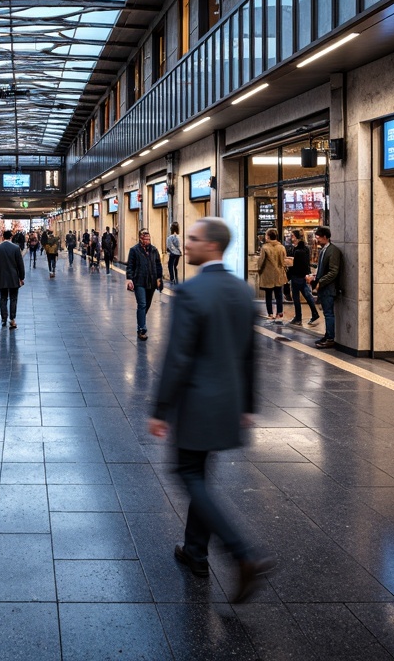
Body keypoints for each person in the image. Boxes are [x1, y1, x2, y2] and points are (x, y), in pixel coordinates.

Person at [148, 217, 274, 603]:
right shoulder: (241, 290)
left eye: (193, 239)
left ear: (212, 246)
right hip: (228, 401)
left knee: (187, 473)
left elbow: (178, 357)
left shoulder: (191, 291)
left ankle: (242, 553)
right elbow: (251, 356)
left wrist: (160, 409)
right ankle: (195, 552)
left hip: (196, 402)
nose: (186, 245)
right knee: (200, 474)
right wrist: (248, 404)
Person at [307, 225, 342, 349]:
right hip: (323, 287)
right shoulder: (324, 250)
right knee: (327, 313)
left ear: (326, 237)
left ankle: (330, 338)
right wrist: (315, 276)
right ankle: (327, 335)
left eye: (319, 238)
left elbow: (333, 271)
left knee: (328, 314)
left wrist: (320, 282)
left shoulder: (333, 251)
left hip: (329, 288)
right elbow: (322, 268)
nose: (318, 240)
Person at [126, 228, 163, 341]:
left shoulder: (154, 250)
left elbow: (158, 264)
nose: (147, 240)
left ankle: (140, 323)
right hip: (139, 281)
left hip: (151, 282)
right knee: (142, 304)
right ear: (140, 239)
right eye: (145, 238)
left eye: (149, 238)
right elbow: (130, 266)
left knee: (146, 305)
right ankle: (142, 329)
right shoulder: (134, 250)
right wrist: (129, 279)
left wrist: (159, 278)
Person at [0, 229, 25, 329]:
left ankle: (3, 319)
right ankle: (12, 319)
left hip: (1, 279)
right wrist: (21, 277)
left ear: (3, 237)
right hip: (14, 279)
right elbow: (20, 265)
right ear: (11, 237)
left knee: (3, 298)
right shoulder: (16, 248)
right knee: (13, 299)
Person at [288, 228, 320, 326]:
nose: (290, 237)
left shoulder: (296, 251)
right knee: (307, 295)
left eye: (292, 236)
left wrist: (289, 272)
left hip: (297, 276)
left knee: (296, 298)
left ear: (297, 237)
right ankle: (314, 313)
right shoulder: (305, 248)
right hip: (304, 276)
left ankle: (298, 318)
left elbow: (294, 265)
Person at [256, 227, 288, 322]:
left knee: (268, 295)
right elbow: (284, 261)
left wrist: (259, 270)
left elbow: (261, 261)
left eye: (266, 235)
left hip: (268, 274)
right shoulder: (281, 247)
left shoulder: (265, 247)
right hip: (279, 274)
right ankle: (279, 312)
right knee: (279, 294)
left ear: (269, 236)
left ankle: (270, 313)